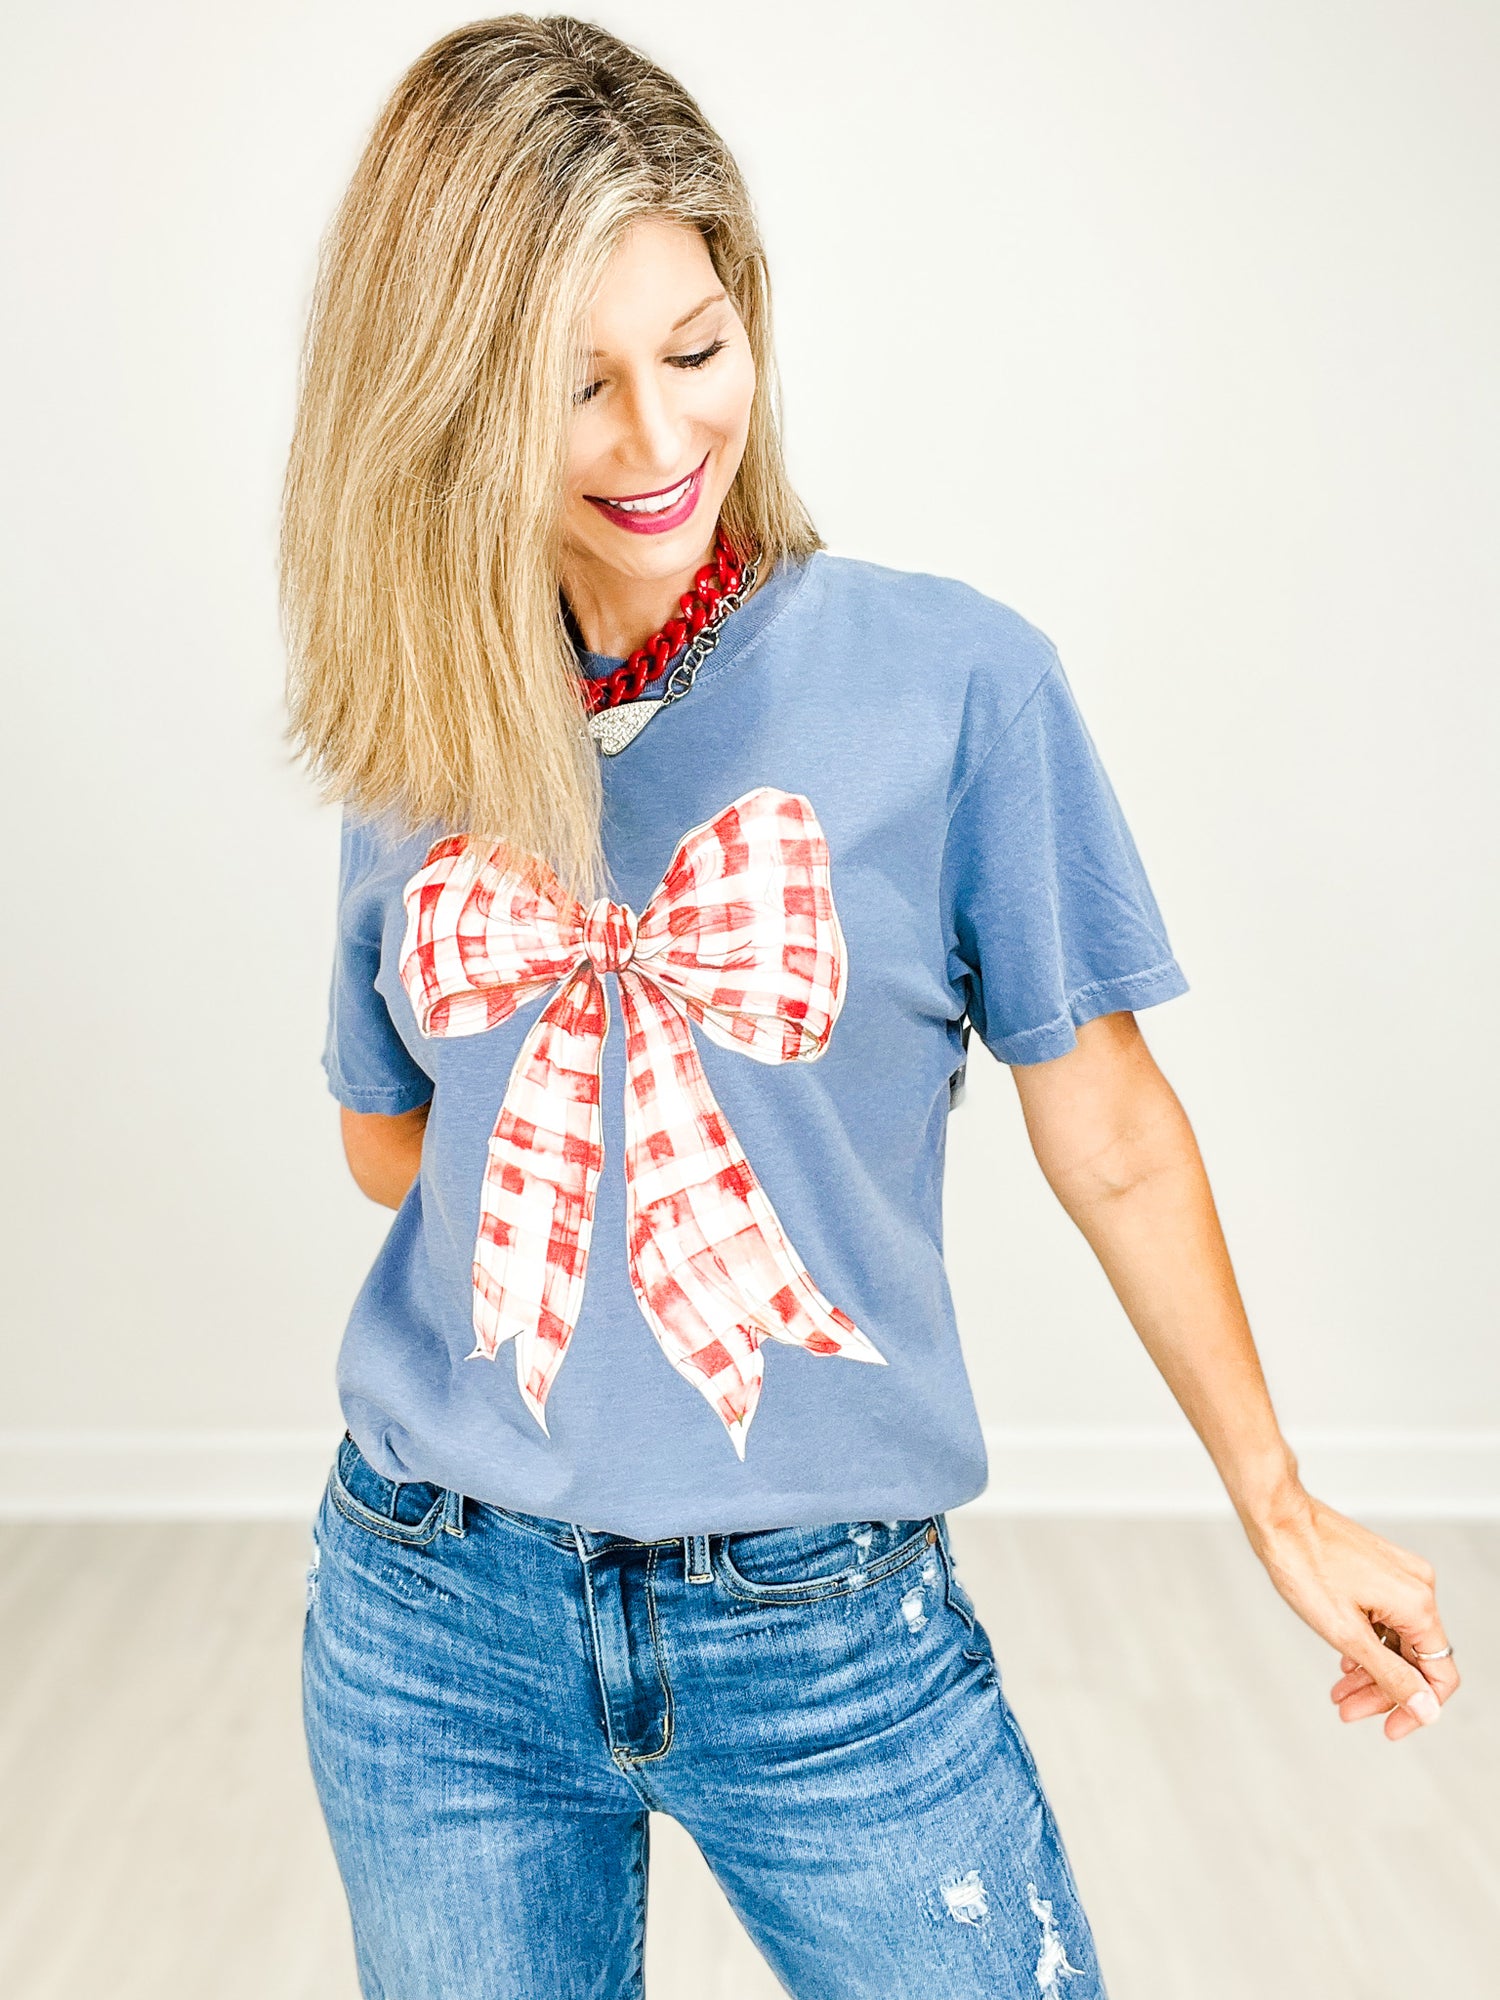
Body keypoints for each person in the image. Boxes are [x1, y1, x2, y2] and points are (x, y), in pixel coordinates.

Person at [281, 16, 1458, 1999]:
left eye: (694, 349)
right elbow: (388, 1143)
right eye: (573, 384)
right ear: (452, 395)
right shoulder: (421, 721)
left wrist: (1277, 1501)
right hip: (432, 1613)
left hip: (825, 1628)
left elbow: (1112, 1128)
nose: (656, 441)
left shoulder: (956, 688)